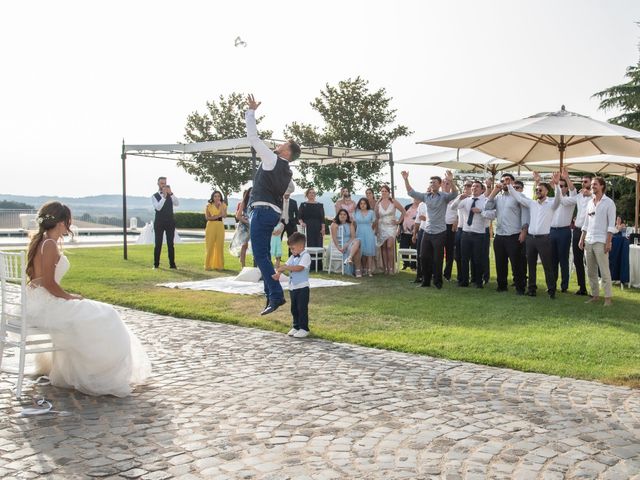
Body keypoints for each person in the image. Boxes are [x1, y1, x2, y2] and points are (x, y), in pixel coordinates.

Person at [25, 202, 151, 397]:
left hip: (42, 302)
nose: (70, 225)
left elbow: (38, 281)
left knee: (100, 312)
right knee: (107, 314)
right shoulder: (48, 244)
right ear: (61, 222)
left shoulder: (41, 241)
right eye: (68, 221)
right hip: (49, 303)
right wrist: (70, 297)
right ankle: (100, 373)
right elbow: (49, 284)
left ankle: (89, 368)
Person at [245, 94, 299, 315]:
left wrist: (251, 112)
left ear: (287, 152)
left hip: (262, 211)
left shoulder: (272, 160)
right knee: (264, 256)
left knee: (259, 256)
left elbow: (253, 138)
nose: (278, 144)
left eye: (283, 144)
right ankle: (270, 296)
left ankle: (275, 295)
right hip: (272, 213)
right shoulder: (287, 171)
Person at [508, 172, 562, 299]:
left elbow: (559, 198)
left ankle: (551, 290)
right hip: (531, 239)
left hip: (544, 239)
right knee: (530, 265)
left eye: (540, 190)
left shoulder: (551, 204)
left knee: (547, 266)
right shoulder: (532, 203)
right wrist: (510, 186)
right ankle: (531, 289)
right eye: (536, 189)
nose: (537, 191)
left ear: (546, 192)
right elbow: (519, 198)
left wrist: (557, 184)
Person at [402, 170, 458, 289]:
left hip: (440, 232)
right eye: (431, 182)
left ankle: (438, 282)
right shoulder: (425, 196)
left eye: (434, 182)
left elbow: (455, 194)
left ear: (439, 184)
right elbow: (410, 192)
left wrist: (450, 180)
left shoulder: (444, 196)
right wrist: (406, 179)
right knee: (423, 256)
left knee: (437, 258)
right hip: (427, 231)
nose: (432, 184)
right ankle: (426, 282)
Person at [483, 173, 527, 295]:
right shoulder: (498, 198)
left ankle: (520, 288)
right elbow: (486, 207)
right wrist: (494, 191)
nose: (504, 183)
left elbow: (525, 214)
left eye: (507, 181)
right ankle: (502, 286)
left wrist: (524, 231)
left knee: (517, 264)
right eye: (502, 181)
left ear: (513, 183)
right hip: (500, 235)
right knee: (500, 263)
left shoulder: (519, 196)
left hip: (514, 235)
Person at [579, 177, 617, 306]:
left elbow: (611, 225)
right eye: (592, 185)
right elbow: (586, 222)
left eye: (595, 184)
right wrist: (581, 238)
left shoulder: (609, 203)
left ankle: (608, 298)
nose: (592, 186)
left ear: (602, 186)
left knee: (604, 270)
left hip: (601, 241)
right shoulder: (590, 202)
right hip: (589, 240)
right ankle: (595, 296)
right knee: (590, 271)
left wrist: (608, 242)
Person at [450, 181, 489, 288]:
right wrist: (459, 198)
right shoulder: (466, 200)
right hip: (466, 233)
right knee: (464, 258)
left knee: (477, 259)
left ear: (482, 190)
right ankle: (464, 281)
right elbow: (453, 207)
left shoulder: (485, 201)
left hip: (479, 234)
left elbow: (492, 215)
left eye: (477, 186)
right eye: (473, 186)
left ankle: (478, 282)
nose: (474, 188)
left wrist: (480, 211)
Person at [273, 232, 311, 338]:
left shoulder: (306, 255)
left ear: (301, 246)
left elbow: (299, 268)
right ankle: (296, 326)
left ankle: (304, 328)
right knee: (294, 308)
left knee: (301, 308)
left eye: (293, 248)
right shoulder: (293, 256)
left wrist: (286, 268)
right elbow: (285, 265)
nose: (291, 251)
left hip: (302, 287)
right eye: (290, 249)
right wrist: (278, 273)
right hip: (293, 287)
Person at [549, 169, 578, 293]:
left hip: (564, 232)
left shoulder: (571, 200)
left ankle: (564, 286)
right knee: (552, 260)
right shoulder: (553, 199)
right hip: (552, 231)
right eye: (558, 186)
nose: (559, 188)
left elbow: (573, 191)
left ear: (565, 188)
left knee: (563, 260)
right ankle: (552, 284)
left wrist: (566, 178)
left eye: (561, 186)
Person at [375, 185, 405, 275]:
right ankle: (386, 268)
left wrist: (398, 221)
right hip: (381, 226)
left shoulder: (393, 202)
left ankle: (391, 268)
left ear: (389, 192)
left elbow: (403, 211)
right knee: (383, 248)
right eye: (382, 191)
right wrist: (376, 228)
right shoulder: (378, 203)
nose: (384, 193)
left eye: (385, 191)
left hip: (391, 227)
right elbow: (376, 216)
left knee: (389, 246)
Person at [152, 176, 179, 269]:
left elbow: (177, 203)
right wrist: (163, 197)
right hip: (159, 222)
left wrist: (170, 193)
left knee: (170, 244)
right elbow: (158, 208)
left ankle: (172, 264)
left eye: (165, 183)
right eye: (162, 183)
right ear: (158, 184)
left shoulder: (170, 195)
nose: (164, 185)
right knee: (158, 243)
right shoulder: (154, 196)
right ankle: (156, 265)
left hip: (170, 222)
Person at [573, 174, 593, 295]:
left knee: (590, 261)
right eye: (582, 182)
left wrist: (590, 193)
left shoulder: (595, 196)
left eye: (585, 181)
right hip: (577, 229)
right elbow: (570, 192)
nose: (583, 183)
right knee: (577, 260)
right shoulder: (579, 196)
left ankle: (593, 289)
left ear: (591, 183)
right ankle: (582, 288)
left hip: (590, 231)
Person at [298, 187, 325, 271]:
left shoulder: (320, 205)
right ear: (307, 194)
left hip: (318, 228)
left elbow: (322, 219)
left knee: (318, 244)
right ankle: (308, 266)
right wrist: (302, 223)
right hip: (307, 228)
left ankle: (318, 266)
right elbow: (299, 217)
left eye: (313, 193)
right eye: (310, 193)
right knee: (308, 245)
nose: (312, 194)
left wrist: (323, 228)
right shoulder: (303, 205)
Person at [330, 208, 362, 276]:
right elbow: (334, 238)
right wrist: (339, 247)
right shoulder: (334, 224)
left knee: (357, 240)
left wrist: (346, 245)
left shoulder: (350, 224)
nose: (342, 216)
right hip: (339, 244)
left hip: (349, 242)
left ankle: (350, 258)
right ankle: (357, 270)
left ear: (347, 216)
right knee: (357, 250)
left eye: (344, 214)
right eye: (341, 214)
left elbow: (353, 237)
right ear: (338, 215)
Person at [354, 197, 377, 277]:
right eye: (361, 203)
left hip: (369, 232)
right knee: (362, 252)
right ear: (359, 205)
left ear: (367, 204)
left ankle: (369, 270)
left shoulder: (371, 212)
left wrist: (371, 229)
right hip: (359, 232)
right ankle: (363, 269)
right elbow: (354, 223)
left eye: (364, 203)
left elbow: (375, 222)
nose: (362, 205)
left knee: (369, 252)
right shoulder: (356, 212)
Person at [204, 191, 227, 271]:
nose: (217, 198)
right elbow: (207, 218)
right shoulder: (209, 206)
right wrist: (217, 216)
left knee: (219, 245)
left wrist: (220, 207)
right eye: (215, 196)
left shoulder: (223, 205)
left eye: (218, 196)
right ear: (212, 197)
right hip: (211, 226)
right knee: (210, 245)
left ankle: (219, 265)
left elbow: (224, 216)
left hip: (220, 226)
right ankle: (208, 265)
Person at [230, 187, 252, 268]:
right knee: (244, 246)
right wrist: (247, 221)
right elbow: (238, 216)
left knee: (254, 246)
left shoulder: (256, 203)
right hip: (244, 227)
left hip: (253, 227)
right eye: (251, 192)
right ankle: (243, 266)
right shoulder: (244, 203)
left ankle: (256, 265)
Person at [400, 197, 420, 270]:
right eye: (415, 198)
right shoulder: (407, 206)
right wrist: (399, 228)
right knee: (403, 248)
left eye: (418, 198)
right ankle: (405, 264)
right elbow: (402, 217)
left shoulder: (421, 207)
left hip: (415, 233)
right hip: (404, 231)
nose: (416, 200)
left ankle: (413, 266)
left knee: (414, 249)